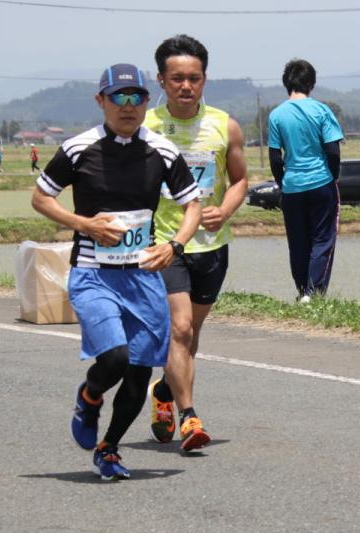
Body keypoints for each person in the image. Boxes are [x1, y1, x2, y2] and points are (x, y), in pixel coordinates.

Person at [31, 63, 201, 480]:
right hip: (93, 273)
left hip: (142, 275)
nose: (128, 107)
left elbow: (192, 204)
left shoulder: (161, 150)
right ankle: (89, 397)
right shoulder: (78, 148)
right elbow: (41, 198)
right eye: (118, 98)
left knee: (141, 368)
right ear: (100, 100)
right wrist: (85, 225)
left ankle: (109, 448)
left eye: (137, 98)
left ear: (147, 102)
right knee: (115, 358)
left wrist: (174, 244)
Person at [144, 34, 248, 451]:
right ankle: (189, 417)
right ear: (161, 81)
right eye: (177, 79)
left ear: (204, 79)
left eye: (194, 78)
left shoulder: (225, 125)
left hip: (212, 243)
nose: (186, 87)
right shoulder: (146, 127)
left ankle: (165, 394)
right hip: (164, 244)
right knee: (181, 327)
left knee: (191, 334)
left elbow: (240, 180)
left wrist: (225, 209)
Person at [267, 59, 344, 302]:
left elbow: (274, 156)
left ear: (286, 83)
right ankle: (314, 292)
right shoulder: (321, 111)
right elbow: (333, 150)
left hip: (292, 187)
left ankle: (302, 291)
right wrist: (332, 177)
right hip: (321, 182)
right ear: (311, 83)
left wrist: (283, 182)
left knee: (298, 242)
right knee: (323, 239)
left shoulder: (276, 115)